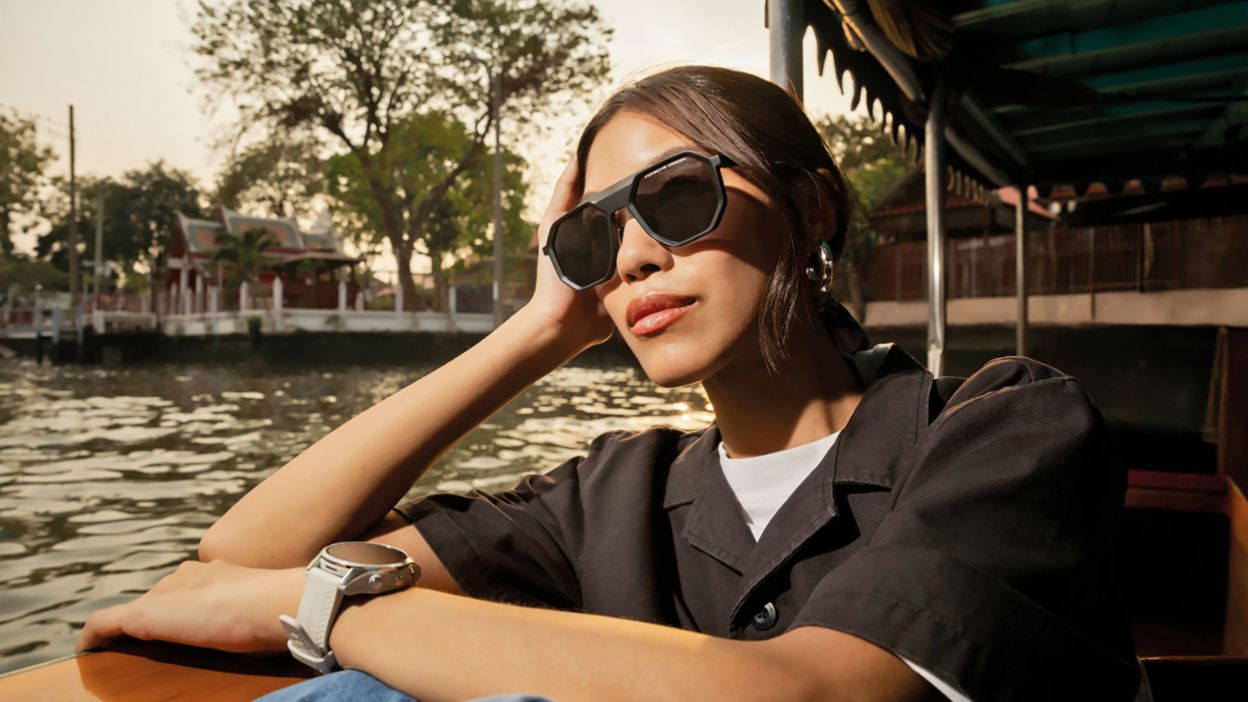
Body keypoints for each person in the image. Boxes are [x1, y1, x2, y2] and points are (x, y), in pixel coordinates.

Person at [75, 65, 1145, 701]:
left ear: (812, 209)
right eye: (594, 236)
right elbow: (236, 561)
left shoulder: (1008, 424)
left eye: (676, 198)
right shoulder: (617, 490)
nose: (631, 257)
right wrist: (541, 328)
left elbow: (811, 690)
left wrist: (327, 608)